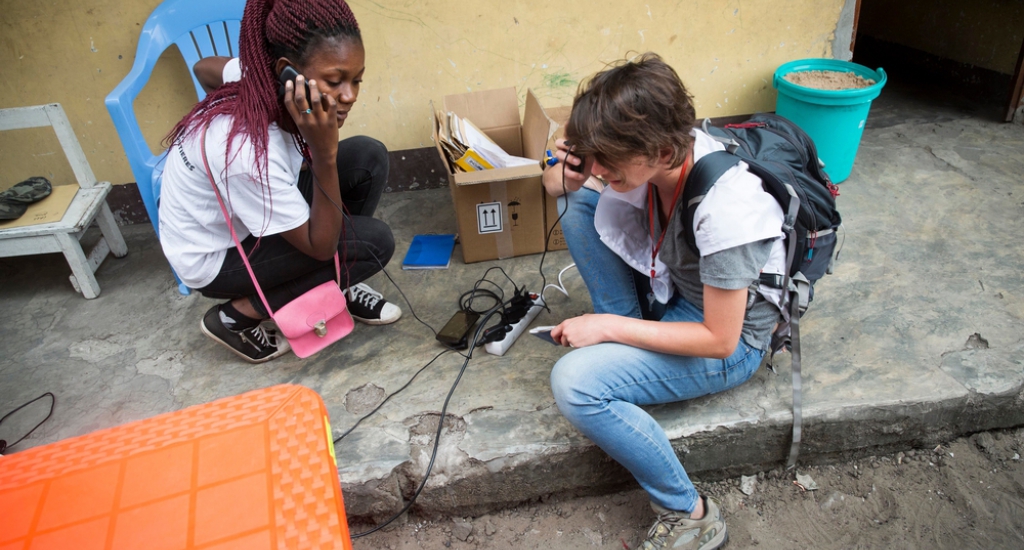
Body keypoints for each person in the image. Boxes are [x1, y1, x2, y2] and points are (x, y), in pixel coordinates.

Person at [542, 53, 786, 550]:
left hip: (729, 340)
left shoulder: (727, 209)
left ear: (661, 148)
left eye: (608, 159)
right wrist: (567, 175)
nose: (600, 168)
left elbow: (721, 339)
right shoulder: (653, 158)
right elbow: (557, 188)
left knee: (575, 383)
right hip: (674, 292)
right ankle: (622, 341)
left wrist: (608, 328)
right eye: (594, 156)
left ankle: (690, 512)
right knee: (576, 203)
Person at [159, 0, 401, 363]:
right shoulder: (246, 150)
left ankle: (339, 281)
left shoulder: (256, 75)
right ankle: (236, 315)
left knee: (368, 156)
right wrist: (323, 153)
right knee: (373, 244)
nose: (349, 95)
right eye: (335, 81)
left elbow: (204, 68)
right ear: (288, 72)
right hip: (215, 255)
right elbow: (321, 247)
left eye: (356, 80)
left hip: (248, 215)